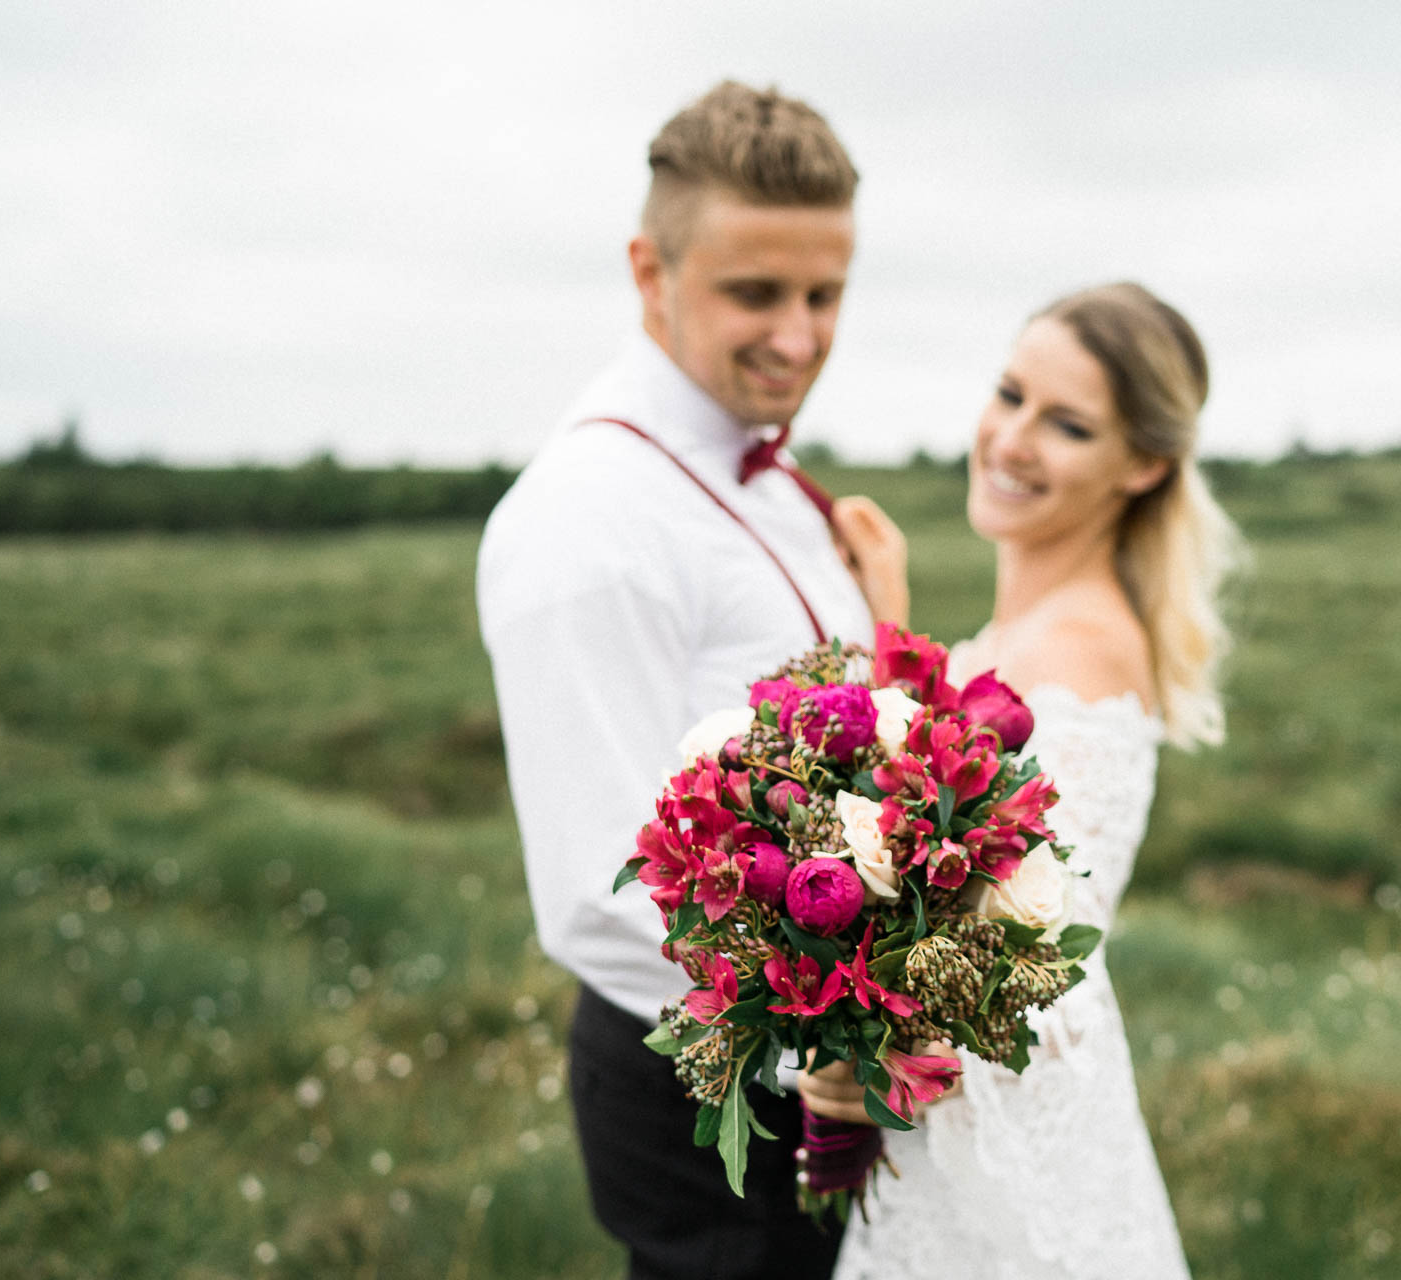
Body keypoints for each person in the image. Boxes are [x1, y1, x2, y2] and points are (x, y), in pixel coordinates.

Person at [477, 82, 904, 1280]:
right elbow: (598, 891)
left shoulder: (760, 474)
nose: (801, 334)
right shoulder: (589, 518)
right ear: (649, 271)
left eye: (826, 294)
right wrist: (836, 1044)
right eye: (756, 292)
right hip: (719, 1096)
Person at [808, 282, 1242, 1279]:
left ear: (1142, 464)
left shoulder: (1079, 654)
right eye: (1010, 394)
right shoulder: (1016, 642)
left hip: (1005, 1207)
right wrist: (890, 632)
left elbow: (1044, 983)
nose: (1011, 438)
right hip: (947, 1170)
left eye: (1068, 424)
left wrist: (879, 1048)